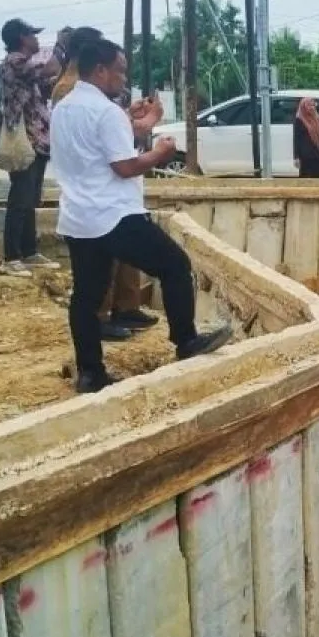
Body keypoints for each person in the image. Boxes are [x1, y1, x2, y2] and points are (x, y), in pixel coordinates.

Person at [51, 38, 230, 393]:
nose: (123, 79)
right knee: (175, 266)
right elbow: (125, 166)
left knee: (86, 297)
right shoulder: (105, 112)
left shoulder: (63, 108)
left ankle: (91, 373)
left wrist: (139, 122)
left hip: (78, 216)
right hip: (114, 214)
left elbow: (103, 144)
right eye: (119, 71)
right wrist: (160, 153)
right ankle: (186, 341)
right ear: (99, 70)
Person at [52, 26, 160, 342]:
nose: (122, 75)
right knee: (97, 277)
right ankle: (101, 319)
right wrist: (148, 129)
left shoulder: (90, 92)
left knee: (119, 265)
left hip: (112, 200)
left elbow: (107, 129)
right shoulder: (68, 90)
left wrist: (127, 116)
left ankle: (124, 309)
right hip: (97, 201)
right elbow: (98, 140)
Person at [0, 18, 66, 277]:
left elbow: (49, 82)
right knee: (20, 199)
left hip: (36, 141)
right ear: (22, 39)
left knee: (29, 199)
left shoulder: (25, 68)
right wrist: (60, 46)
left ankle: (28, 251)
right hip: (23, 141)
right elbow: (50, 69)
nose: (36, 40)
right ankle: (12, 256)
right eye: (32, 35)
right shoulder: (15, 63)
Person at [293, 97, 319, 178]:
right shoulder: (299, 120)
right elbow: (296, 139)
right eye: (309, 105)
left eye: (313, 105)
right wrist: (296, 157)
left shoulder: (317, 118)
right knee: (305, 180)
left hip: (317, 154)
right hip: (305, 156)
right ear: (303, 107)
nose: (311, 107)